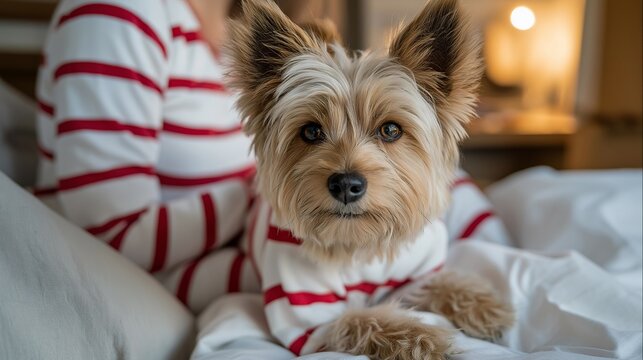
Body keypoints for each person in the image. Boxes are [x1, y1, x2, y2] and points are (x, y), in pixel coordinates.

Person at [34, 0, 509, 315]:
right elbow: (107, 237)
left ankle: (501, 252)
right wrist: (258, 198)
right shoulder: (118, 12)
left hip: (281, 227)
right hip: (193, 265)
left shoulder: (240, 26)